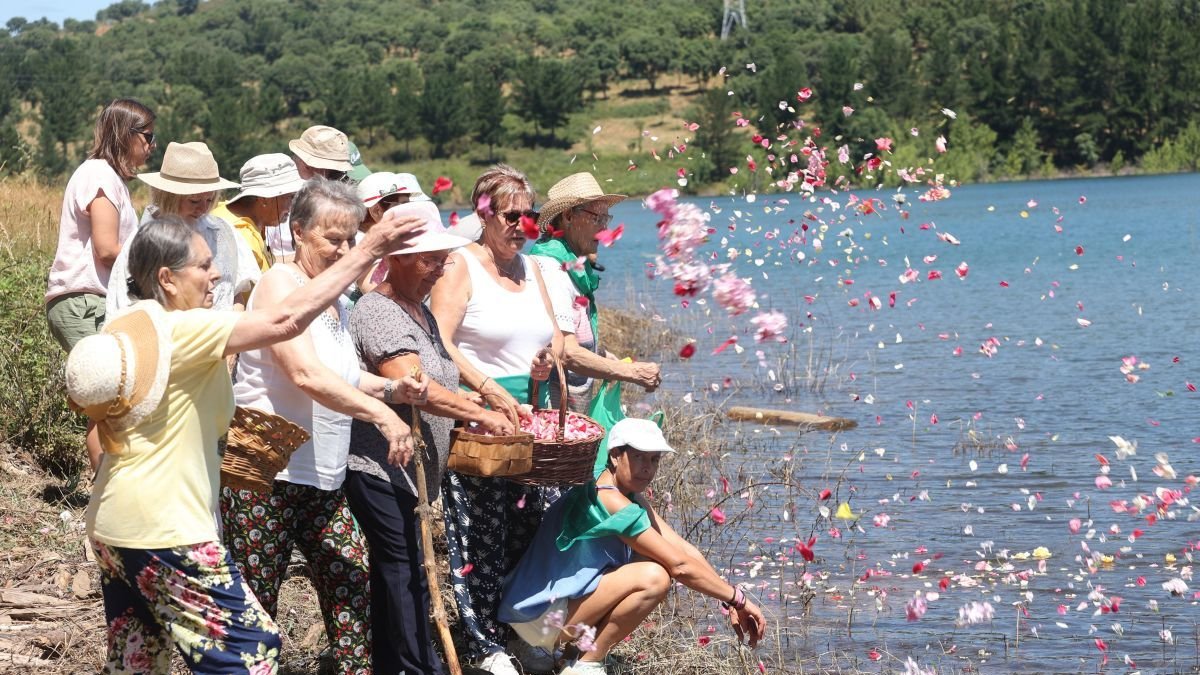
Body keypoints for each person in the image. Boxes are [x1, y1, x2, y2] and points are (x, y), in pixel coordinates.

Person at [65, 207, 423, 674]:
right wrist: (372, 249)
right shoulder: (183, 329)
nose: (216, 275)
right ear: (168, 278)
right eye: (203, 265)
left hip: (114, 525)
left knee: (138, 661)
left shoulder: (129, 324)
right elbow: (285, 321)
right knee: (250, 649)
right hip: (167, 530)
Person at [220, 179, 425, 674]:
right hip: (264, 470)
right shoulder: (279, 284)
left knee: (353, 585)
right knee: (255, 602)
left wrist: (393, 392)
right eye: (333, 238)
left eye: (352, 238)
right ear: (298, 232)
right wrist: (379, 415)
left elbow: (343, 375)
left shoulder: (336, 302)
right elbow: (304, 373)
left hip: (323, 474)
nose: (344, 249)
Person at [344, 200, 516, 675]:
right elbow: (416, 385)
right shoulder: (379, 312)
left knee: (397, 576)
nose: (440, 269)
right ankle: (425, 668)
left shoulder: (419, 311)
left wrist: (485, 395)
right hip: (382, 467)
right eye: (428, 258)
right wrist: (477, 412)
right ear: (395, 257)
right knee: (407, 574)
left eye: (443, 258)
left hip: (416, 474)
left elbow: (446, 371)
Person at [499, 418, 767, 675]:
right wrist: (738, 599)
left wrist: (729, 599)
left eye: (654, 459)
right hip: (538, 620)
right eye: (638, 457)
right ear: (615, 455)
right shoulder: (610, 501)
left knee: (649, 558)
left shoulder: (619, 493)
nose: (647, 468)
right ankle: (585, 664)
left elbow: (684, 551)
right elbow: (680, 566)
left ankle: (573, 652)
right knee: (654, 577)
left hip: (538, 615)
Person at [429, 164, 562, 675]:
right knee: (481, 537)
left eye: (530, 217)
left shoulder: (533, 270)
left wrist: (544, 367)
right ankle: (486, 647)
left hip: (531, 420)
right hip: (479, 424)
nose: (521, 226)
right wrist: (484, 389)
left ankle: (534, 636)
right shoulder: (460, 265)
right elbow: (438, 340)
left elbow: (552, 337)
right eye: (511, 216)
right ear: (484, 214)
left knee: (541, 533)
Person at [46, 98, 155, 471]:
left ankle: (109, 492)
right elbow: (108, 249)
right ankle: (106, 494)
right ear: (127, 135)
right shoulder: (100, 176)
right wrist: (155, 257)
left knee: (114, 397)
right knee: (108, 399)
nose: (151, 146)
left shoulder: (112, 181)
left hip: (95, 300)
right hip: (84, 299)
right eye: (148, 137)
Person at [530, 173, 661, 413]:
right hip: (550, 413)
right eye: (597, 218)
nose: (604, 228)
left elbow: (572, 332)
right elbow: (566, 351)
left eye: (606, 218)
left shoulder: (574, 266)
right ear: (568, 216)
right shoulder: (551, 267)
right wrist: (632, 372)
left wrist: (603, 357)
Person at [107, 141, 258, 315]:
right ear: (169, 196)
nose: (202, 208)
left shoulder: (224, 233)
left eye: (209, 200)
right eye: (194, 201)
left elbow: (235, 290)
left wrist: (233, 321)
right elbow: (126, 306)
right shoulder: (143, 243)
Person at [211, 153, 306, 273]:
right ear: (265, 200)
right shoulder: (239, 234)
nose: (291, 206)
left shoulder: (253, 222)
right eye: (290, 197)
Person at [354, 171, 432, 295]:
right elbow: (377, 294)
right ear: (376, 211)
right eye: (402, 205)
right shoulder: (361, 244)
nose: (409, 211)